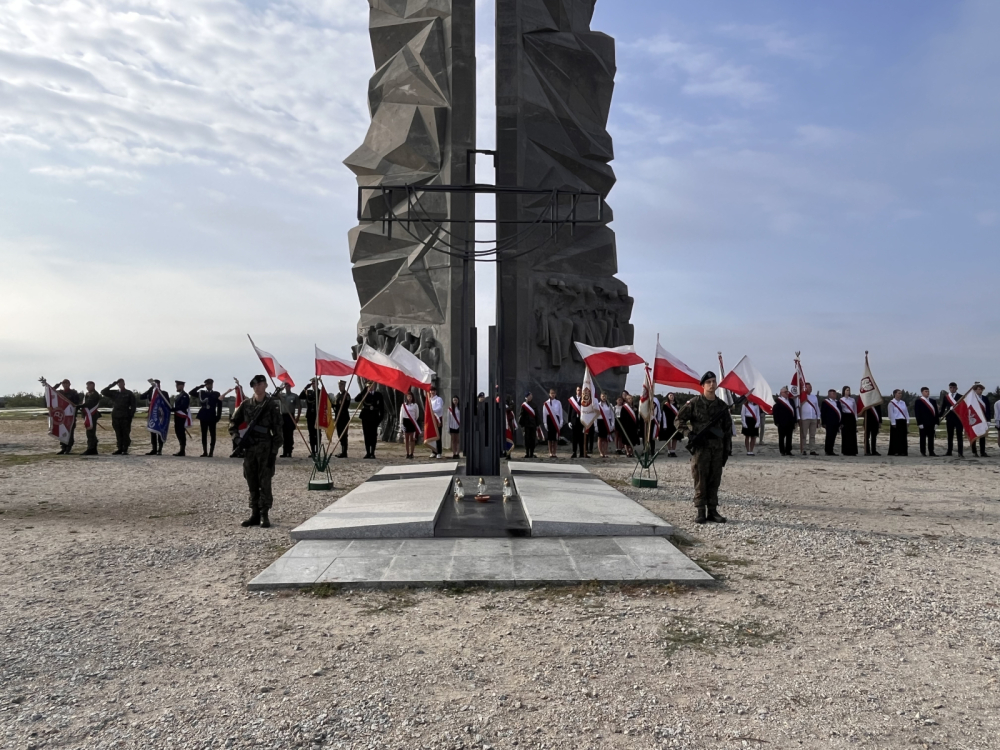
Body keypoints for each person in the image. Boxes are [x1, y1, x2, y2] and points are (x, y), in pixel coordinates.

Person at [674, 371, 732, 524]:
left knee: (715, 479)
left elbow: (727, 431)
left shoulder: (722, 406)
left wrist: (727, 450)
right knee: (700, 479)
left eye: (714, 381)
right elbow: (679, 420)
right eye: (709, 382)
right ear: (703, 385)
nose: (712, 384)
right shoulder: (694, 403)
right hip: (701, 448)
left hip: (717, 449)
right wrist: (688, 433)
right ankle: (701, 510)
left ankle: (712, 510)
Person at [229, 374, 282, 528]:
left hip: (266, 448)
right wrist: (238, 440)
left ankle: (264, 514)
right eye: (254, 385)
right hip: (250, 449)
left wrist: (273, 452)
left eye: (259, 384)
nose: (257, 387)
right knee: (251, 480)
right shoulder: (246, 405)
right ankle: (254, 514)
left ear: (265, 385)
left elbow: (278, 432)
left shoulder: (272, 405)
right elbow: (233, 423)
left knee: (265, 481)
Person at [101, 379, 137, 455]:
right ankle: (119, 448)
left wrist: (131, 415)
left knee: (125, 432)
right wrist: (113, 384)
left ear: (124, 383)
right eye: (119, 383)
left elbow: (133, 405)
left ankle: (125, 448)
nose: (120, 384)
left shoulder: (129, 393)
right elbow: (103, 392)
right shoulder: (115, 393)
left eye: (121, 383)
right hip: (116, 415)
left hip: (125, 416)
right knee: (118, 432)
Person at [190, 379, 223, 457]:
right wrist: (199, 387)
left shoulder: (216, 394)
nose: (209, 386)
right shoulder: (202, 393)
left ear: (212, 385)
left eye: (210, 384)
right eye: (207, 384)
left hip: (212, 416)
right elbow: (191, 393)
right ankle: (205, 451)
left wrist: (218, 416)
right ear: (205, 385)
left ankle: (211, 452)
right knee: (204, 434)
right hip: (203, 415)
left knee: (213, 434)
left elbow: (219, 406)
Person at [356, 381, 385, 459]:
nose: (370, 387)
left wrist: (380, 419)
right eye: (369, 386)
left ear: (374, 386)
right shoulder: (364, 395)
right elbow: (356, 399)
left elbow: (382, 408)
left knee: (373, 436)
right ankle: (368, 452)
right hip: (365, 417)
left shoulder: (378, 395)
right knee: (367, 435)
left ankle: (372, 453)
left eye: (371, 386)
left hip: (374, 417)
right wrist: (364, 391)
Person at [55, 379, 82, 454]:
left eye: (67, 383)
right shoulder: (60, 393)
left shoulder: (74, 393)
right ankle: (63, 447)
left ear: (69, 384)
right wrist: (58, 384)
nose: (65, 385)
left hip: (70, 415)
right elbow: (52, 391)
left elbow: (76, 404)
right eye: (64, 383)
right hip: (62, 415)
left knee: (70, 432)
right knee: (62, 431)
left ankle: (68, 447)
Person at [140, 380, 166, 455]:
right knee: (153, 431)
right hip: (152, 415)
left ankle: (159, 449)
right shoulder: (151, 393)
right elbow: (141, 397)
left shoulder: (164, 393)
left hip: (160, 415)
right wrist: (150, 389)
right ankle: (154, 449)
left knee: (160, 432)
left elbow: (167, 404)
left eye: (156, 384)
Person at [914, 387, 939, 457]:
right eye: (926, 391)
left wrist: (937, 422)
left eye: (928, 391)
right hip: (923, 423)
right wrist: (919, 423)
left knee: (931, 438)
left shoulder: (933, 401)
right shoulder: (918, 401)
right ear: (922, 392)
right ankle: (923, 451)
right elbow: (917, 413)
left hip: (932, 423)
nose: (927, 393)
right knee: (923, 438)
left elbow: (936, 412)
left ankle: (931, 451)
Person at [772, 386, 797, 456]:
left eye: (787, 392)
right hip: (782, 422)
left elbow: (794, 411)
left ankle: (788, 450)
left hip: (790, 422)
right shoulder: (778, 401)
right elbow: (775, 413)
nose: (787, 393)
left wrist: (795, 421)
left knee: (789, 437)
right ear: (781, 393)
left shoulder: (791, 401)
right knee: (781, 437)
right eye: (785, 392)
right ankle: (782, 451)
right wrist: (776, 422)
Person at [297, 380, 319, 458]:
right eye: (312, 383)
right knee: (311, 433)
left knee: (317, 434)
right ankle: (313, 451)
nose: (313, 385)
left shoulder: (320, 392)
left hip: (317, 415)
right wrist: (305, 388)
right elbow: (300, 396)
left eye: (315, 383)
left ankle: (318, 450)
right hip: (310, 415)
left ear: (317, 384)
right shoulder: (308, 392)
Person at [277, 383, 299, 458]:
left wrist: (297, 417)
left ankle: (289, 451)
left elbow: (299, 407)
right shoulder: (281, 395)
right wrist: (279, 390)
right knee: (283, 435)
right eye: (286, 386)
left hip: (290, 416)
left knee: (289, 435)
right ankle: (284, 451)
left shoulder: (294, 396)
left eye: (288, 386)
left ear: (290, 386)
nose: (287, 387)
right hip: (283, 416)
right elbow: (272, 397)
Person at [942, 383, 964, 457]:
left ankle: (960, 452)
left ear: (956, 388)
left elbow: (963, 408)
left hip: (958, 419)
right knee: (950, 436)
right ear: (949, 388)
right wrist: (938, 415)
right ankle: (949, 451)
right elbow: (943, 407)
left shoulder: (961, 397)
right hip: (949, 418)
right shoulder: (946, 397)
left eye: (954, 387)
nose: (952, 389)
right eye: (951, 387)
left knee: (959, 436)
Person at [80, 381, 101, 456]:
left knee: (91, 432)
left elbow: (89, 404)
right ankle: (93, 448)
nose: (87, 387)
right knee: (89, 432)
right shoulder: (87, 394)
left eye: (89, 385)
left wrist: (79, 406)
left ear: (93, 386)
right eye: (87, 386)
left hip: (92, 415)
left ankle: (91, 448)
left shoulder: (95, 394)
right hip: (88, 415)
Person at [798, 383, 820, 456]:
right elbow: (798, 407)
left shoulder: (814, 397)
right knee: (804, 435)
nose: (810, 389)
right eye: (808, 387)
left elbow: (817, 407)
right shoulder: (802, 396)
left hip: (813, 417)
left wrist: (818, 417)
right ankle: (804, 449)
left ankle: (812, 450)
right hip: (805, 418)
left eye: (810, 387)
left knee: (812, 435)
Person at [333, 381, 352, 457]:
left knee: (344, 435)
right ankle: (342, 450)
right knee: (339, 434)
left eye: (341, 385)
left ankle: (344, 452)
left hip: (344, 418)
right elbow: (335, 405)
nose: (340, 387)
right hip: (338, 417)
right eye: (339, 386)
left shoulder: (346, 395)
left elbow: (345, 406)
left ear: (344, 386)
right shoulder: (338, 395)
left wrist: (338, 406)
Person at [971, 384, 991, 457]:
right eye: (979, 389)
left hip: (983, 419)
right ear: (975, 390)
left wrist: (988, 419)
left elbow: (988, 409)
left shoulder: (985, 398)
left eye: (981, 389)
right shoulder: (972, 399)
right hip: (975, 420)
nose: (980, 391)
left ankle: (982, 452)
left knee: (982, 436)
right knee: (974, 436)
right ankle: (974, 452)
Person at [171, 381, 190, 457]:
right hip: (177, 416)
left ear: (182, 386)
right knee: (178, 432)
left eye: (178, 385)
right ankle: (181, 449)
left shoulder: (185, 395)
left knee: (181, 432)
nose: (176, 387)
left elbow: (183, 406)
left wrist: (173, 409)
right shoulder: (179, 396)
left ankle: (182, 450)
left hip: (181, 416)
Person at [399, 391, 421, 459]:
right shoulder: (403, 405)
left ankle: (412, 453)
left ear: (412, 397)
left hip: (412, 421)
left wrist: (413, 420)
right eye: (408, 397)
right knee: (406, 438)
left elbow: (417, 415)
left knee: (412, 439)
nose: (409, 398)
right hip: (405, 421)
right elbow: (401, 414)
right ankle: (407, 453)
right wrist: (401, 423)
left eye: (410, 397)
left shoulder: (415, 405)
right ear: (407, 397)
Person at [887, 390, 909, 456]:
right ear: (895, 394)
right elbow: (891, 414)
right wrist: (893, 422)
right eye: (898, 393)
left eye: (901, 393)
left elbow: (906, 412)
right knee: (895, 438)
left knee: (903, 437)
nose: (900, 394)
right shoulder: (891, 403)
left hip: (903, 421)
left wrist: (907, 421)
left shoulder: (903, 402)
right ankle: (895, 451)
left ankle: (902, 451)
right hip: (896, 421)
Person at [543, 388, 563, 458]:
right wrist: (545, 423)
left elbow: (560, 413)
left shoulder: (558, 402)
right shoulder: (546, 403)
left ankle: (554, 452)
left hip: (556, 420)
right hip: (549, 420)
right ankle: (550, 452)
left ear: (555, 394)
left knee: (555, 438)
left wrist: (561, 421)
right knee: (550, 438)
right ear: (549, 394)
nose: (553, 395)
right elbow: (544, 414)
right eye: (551, 393)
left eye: (554, 393)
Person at [820, 389, 841, 456]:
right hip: (829, 422)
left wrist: (840, 422)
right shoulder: (825, 402)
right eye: (833, 394)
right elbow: (823, 413)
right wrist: (823, 422)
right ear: (829, 395)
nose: (835, 395)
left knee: (833, 437)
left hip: (836, 422)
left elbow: (840, 412)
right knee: (829, 436)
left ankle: (831, 450)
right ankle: (827, 450)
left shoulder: (838, 402)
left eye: (835, 394)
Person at [839, 386, 859, 456]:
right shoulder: (841, 400)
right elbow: (840, 410)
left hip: (851, 417)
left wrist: (856, 418)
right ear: (844, 391)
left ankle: (853, 451)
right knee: (845, 434)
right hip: (845, 417)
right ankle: (846, 451)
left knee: (852, 434)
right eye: (847, 390)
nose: (848, 391)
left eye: (849, 390)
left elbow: (855, 409)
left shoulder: (852, 400)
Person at [518, 392, 538, 459]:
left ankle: (532, 453)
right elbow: (521, 415)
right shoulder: (524, 405)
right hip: (526, 425)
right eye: (529, 396)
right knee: (526, 439)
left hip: (533, 425)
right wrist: (522, 424)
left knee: (532, 439)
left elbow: (537, 415)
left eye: (531, 396)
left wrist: (538, 424)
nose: (530, 397)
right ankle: (527, 453)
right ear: (526, 397)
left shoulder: (534, 405)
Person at [567, 386, 585, 458]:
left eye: (580, 390)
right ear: (576, 391)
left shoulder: (584, 399)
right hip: (574, 421)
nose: (579, 392)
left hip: (581, 421)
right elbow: (569, 411)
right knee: (574, 438)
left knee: (581, 438)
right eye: (578, 390)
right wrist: (569, 421)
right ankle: (574, 452)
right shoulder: (572, 400)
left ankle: (581, 453)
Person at [618, 393, 638, 458]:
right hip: (626, 426)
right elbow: (622, 417)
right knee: (626, 440)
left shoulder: (634, 407)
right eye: (628, 398)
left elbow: (637, 417)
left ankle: (632, 452)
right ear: (626, 400)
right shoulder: (624, 408)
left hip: (633, 426)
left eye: (631, 398)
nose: (630, 400)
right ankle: (627, 452)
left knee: (632, 441)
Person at [596, 392, 615, 458]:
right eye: (602, 396)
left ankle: (605, 452)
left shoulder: (610, 405)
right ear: (600, 397)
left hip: (607, 422)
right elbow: (595, 416)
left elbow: (612, 415)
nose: (604, 397)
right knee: (600, 438)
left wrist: (612, 424)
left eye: (605, 396)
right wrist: (595, 425)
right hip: (600, 422)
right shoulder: (598, 405)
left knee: (606, 438)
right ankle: (601, 452)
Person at [428, 386, 444, 458]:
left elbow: (439, 407)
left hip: (438, 419)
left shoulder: (439, 399)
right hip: (431, 419)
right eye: (431, 390)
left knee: (438, 436)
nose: (432, 392)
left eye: (434, 390)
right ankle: (434, 451)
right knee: (432, 436)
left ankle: (439, 452)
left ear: (436, 391)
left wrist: (432, 411)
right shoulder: (429, 400)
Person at [661, 393, 680, 457]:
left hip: (675, 423)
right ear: (668, 397)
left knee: (675, 438)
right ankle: (669, 451)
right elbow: (663, 415)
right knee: (668, 438)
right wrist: (664, 425)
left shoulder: (677, 405)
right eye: (670, 396)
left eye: (672, 396)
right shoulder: (666, 405)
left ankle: (673, 451)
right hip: (668, 423)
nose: (672, 397)